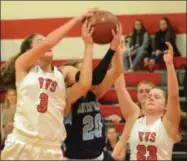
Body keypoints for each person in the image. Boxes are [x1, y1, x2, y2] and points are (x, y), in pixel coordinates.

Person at [1, 8, 98, 160]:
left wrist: (89, 46)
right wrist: (77, 19)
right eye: (40, 42)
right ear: (30, 51)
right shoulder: (23, 67)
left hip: (51, 150)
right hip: (22, 143)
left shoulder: (60, 77)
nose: (47, 44)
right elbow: (50, 42)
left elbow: (85, 84)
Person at [63, 24, 125, 160]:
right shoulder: (67, 98)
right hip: (77, 158)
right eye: (85, 73)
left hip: (99, 155)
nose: (89, 76)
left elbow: (116, 71)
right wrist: (110, 49)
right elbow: (89, 82)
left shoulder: (93, 93)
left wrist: (116, 50)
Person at [112, 42, 181, 160]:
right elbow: (119, 88)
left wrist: (169, 64)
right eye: (149, 96)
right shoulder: (134, 118)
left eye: (156, 97)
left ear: (165, 106)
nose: (150, 97)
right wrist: (117, 56)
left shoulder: (167, 123)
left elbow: (173, 96)